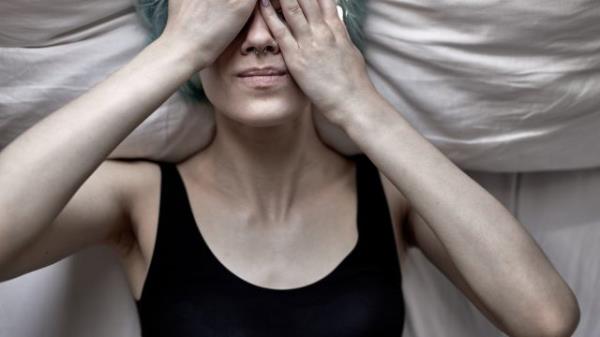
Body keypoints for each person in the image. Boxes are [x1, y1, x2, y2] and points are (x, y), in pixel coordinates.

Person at [0, 0, 580, 336]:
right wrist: (175, 52)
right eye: (230, 15)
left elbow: (546, 318)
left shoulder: (393, 194)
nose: (258, 40)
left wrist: (357, 102)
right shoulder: (140, 198)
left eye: (285, 13)